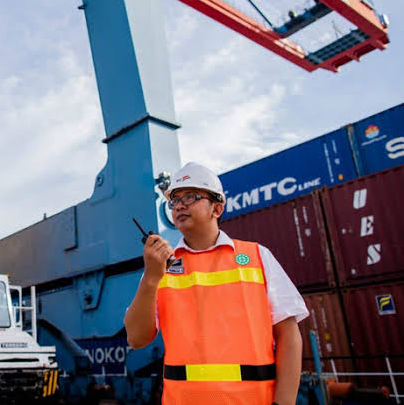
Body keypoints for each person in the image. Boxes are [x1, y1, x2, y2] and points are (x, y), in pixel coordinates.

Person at [124, 162, 308, 405]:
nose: (179, 205)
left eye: (190, 197)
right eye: (174, 201)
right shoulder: (160, 268)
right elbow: (136, 339)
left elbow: (289, 335)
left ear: (217, 208)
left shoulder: (257, 256)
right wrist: (150, 277)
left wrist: (283, 402)